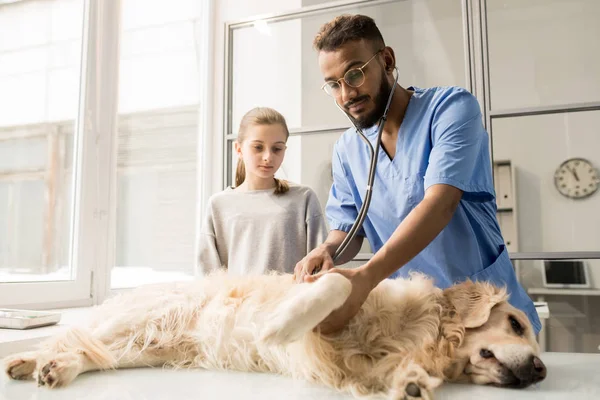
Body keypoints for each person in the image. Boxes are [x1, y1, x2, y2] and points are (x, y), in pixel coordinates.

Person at [293, 14, 541, 335]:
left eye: (354, 74)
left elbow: (440, 203)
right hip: (416, 321)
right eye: (333, 84)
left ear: (387, 60)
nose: (346, 95)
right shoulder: (347, 149)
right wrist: (327, 250)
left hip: (486, 310)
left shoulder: (450, 109)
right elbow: (349, 228)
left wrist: (368, 276)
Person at [197, 107, 328, 276]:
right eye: (258, 147)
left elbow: (320, 266)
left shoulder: (303, 199)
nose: (268, 157)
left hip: (293, 300)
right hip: (238, 302)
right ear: (239, 149)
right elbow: (207, 275)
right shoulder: (219, 204)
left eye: (277, 149)